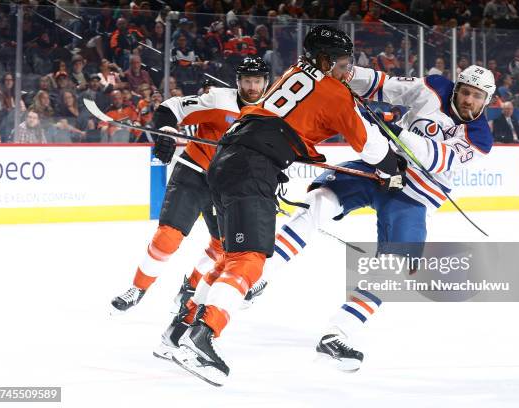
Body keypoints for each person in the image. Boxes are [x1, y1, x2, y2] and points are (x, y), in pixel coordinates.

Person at [167, 25, 405, 386]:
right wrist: (392, 168)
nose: (347, 70)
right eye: (342, 62)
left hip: (226, 160)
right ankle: (203, 337)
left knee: (231, 256)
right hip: (253, 168)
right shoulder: (336, 93)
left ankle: (177, 331)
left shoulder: (294, 73)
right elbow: (370, 148)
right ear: (324, 60)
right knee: (249, 260)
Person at [253, 63, 496, 372]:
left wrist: (394, 129)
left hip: (414, 196)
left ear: (486, 100)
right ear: (457, 88)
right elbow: (385, 85)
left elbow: (435, 158)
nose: (469, 101)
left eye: (477, 96)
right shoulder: (434, 88)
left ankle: (338, 333)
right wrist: (346, 72)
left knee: (392, 269)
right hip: (381, 169)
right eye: (465, 92)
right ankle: (257, 274)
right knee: (319, 201)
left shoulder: (480, 138)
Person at [110, 58, 271, 323]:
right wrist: (166, 132)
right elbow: (170, 107)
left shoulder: (272, 112)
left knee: (224, 247)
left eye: (257, 81)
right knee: (168, 236)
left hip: (228, 186)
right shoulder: (218, 100)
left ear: (266, 83)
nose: (252, 86)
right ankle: (137, 288)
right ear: (238, 82)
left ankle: (190, 288)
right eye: (247, 81)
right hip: (194, 172)